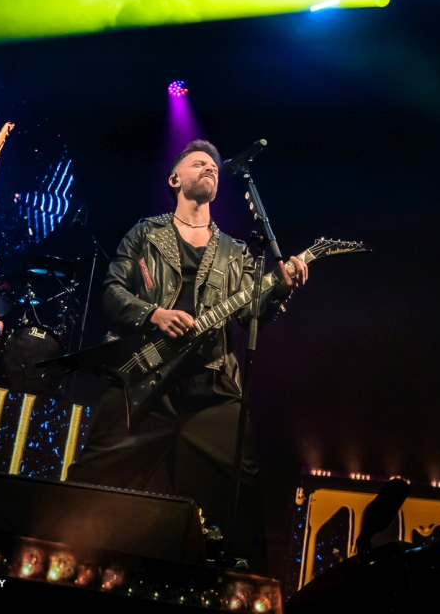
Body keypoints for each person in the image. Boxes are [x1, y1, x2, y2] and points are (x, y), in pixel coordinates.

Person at [67, 140, 308, 573]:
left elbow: (251, 315)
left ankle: (235, 592)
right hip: (143, 383)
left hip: (212, 390)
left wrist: (280, 290)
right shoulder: (145, 233)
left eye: (213, 165)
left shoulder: (236, 251)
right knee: (91, 488)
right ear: (175, 178)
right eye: (198, 163)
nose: (209, 167)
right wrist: (153, 314)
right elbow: (112, 291)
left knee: (238, 506)